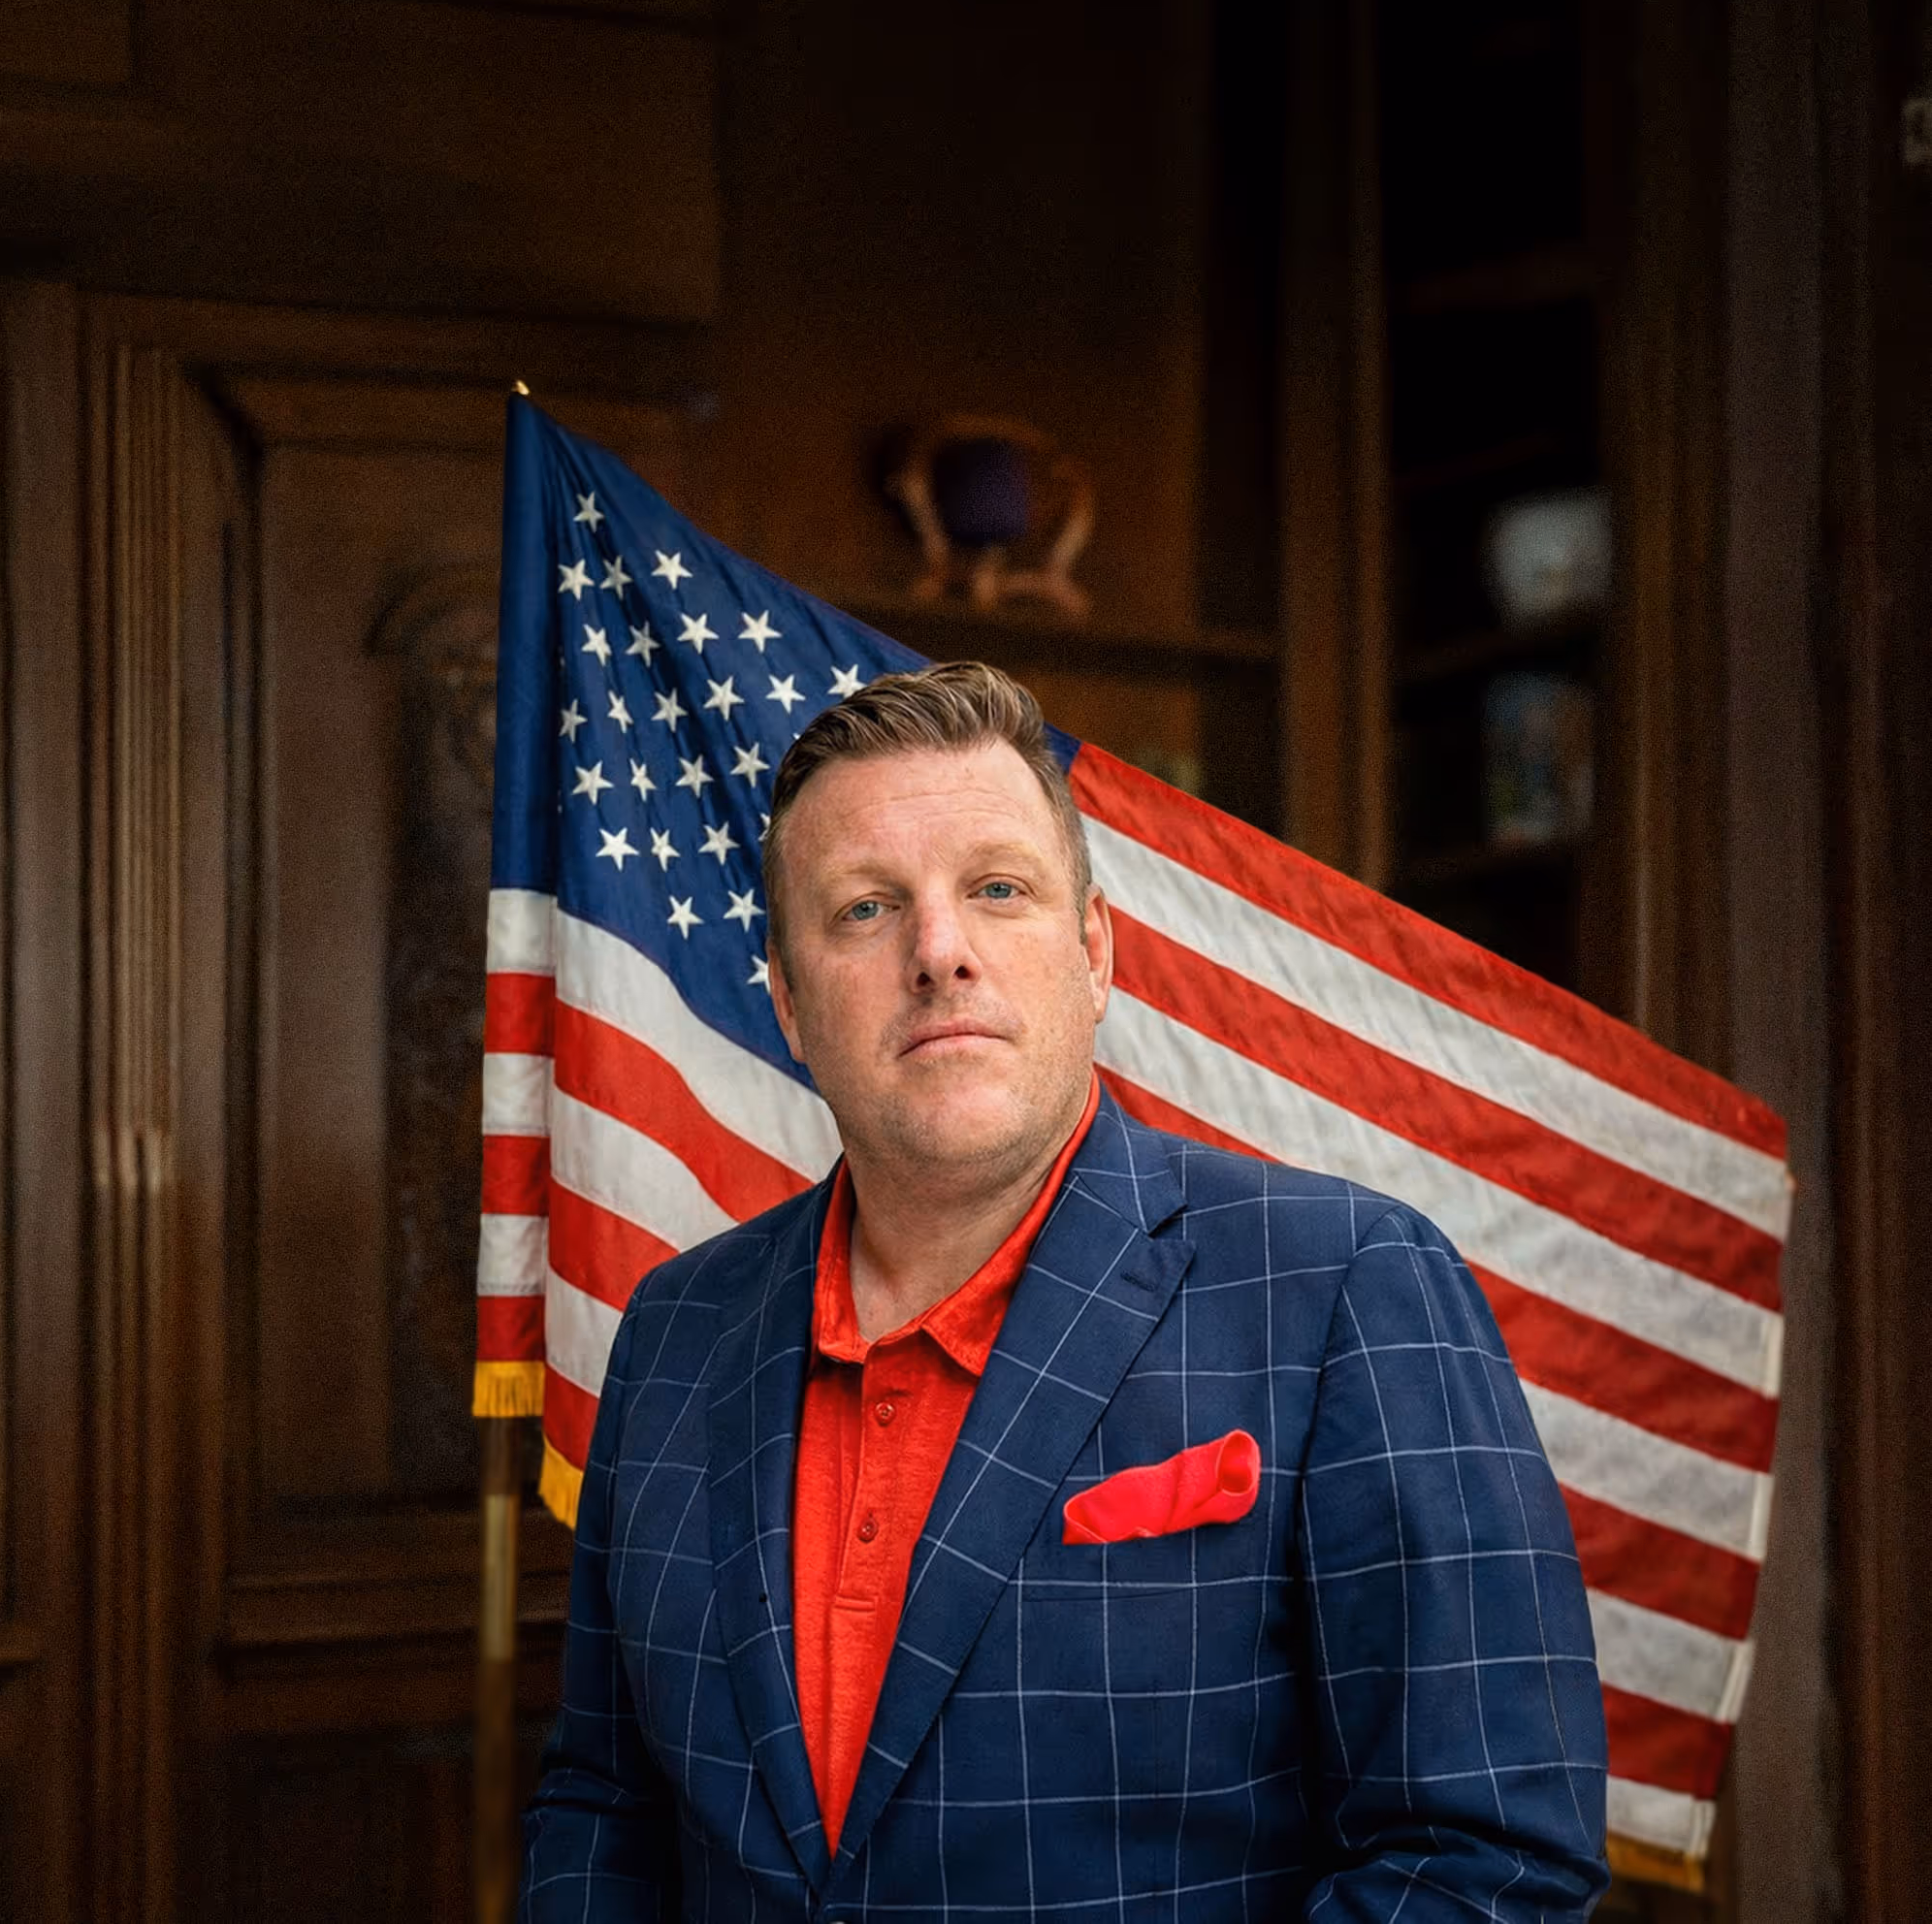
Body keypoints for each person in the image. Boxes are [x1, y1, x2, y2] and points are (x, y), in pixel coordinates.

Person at [521, 661, 1609, 1919]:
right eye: (865, 909)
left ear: (1093, 956)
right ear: (788, 1004)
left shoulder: (1345, 1288)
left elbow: (1483, 1859)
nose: (939, 953)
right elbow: (602, 1806)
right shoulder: (674, 1331)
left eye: (997, 890)